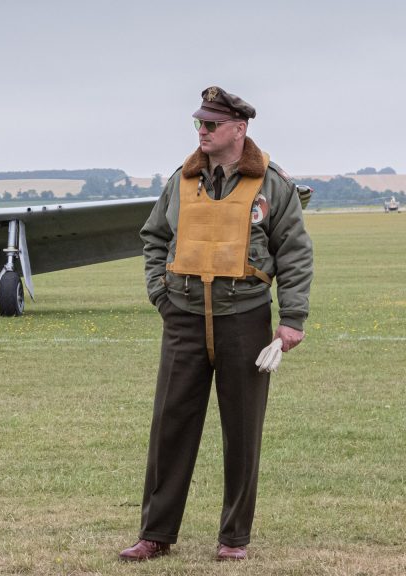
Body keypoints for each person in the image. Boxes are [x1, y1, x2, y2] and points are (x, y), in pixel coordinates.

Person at [119, 86, 313, 562]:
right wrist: (160, 294)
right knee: (170, 426)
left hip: (244, 319)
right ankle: (156, 534)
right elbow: (154, 238)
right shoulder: (181, 181)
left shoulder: (272, 184)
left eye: (211, 124)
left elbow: (294, 252)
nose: (202, 131)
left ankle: (233, 540)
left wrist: (291, 318)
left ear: (239, 129)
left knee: (242, 431)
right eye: (198, 124)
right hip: (182, 319)